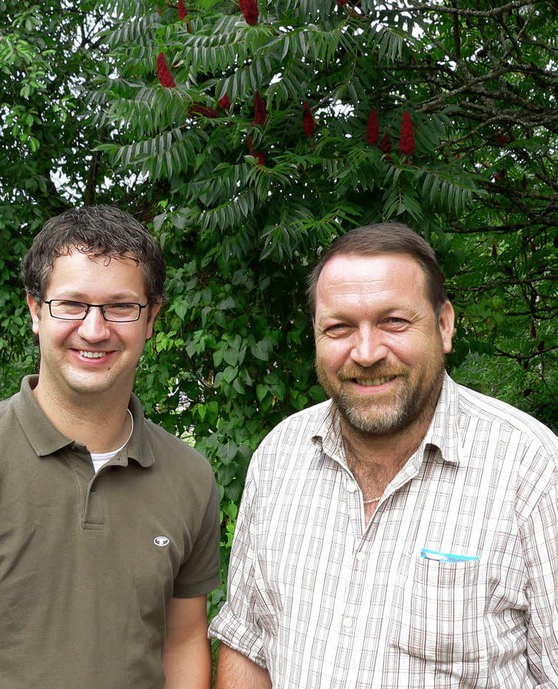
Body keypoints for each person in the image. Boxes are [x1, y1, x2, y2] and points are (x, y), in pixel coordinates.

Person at [209, 222, 558, 688]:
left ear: (444, 324)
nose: (367, 352)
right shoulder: (278, 457)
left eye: (394, 321)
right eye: (339, 327)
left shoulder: (532, 471)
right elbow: (249, 644)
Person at [0, 206, 220, 688]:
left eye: (121, 306)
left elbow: (181, 642)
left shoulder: (190, 478)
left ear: (152, 318)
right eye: (71, 304)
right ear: (36, 310)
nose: (95, 330)